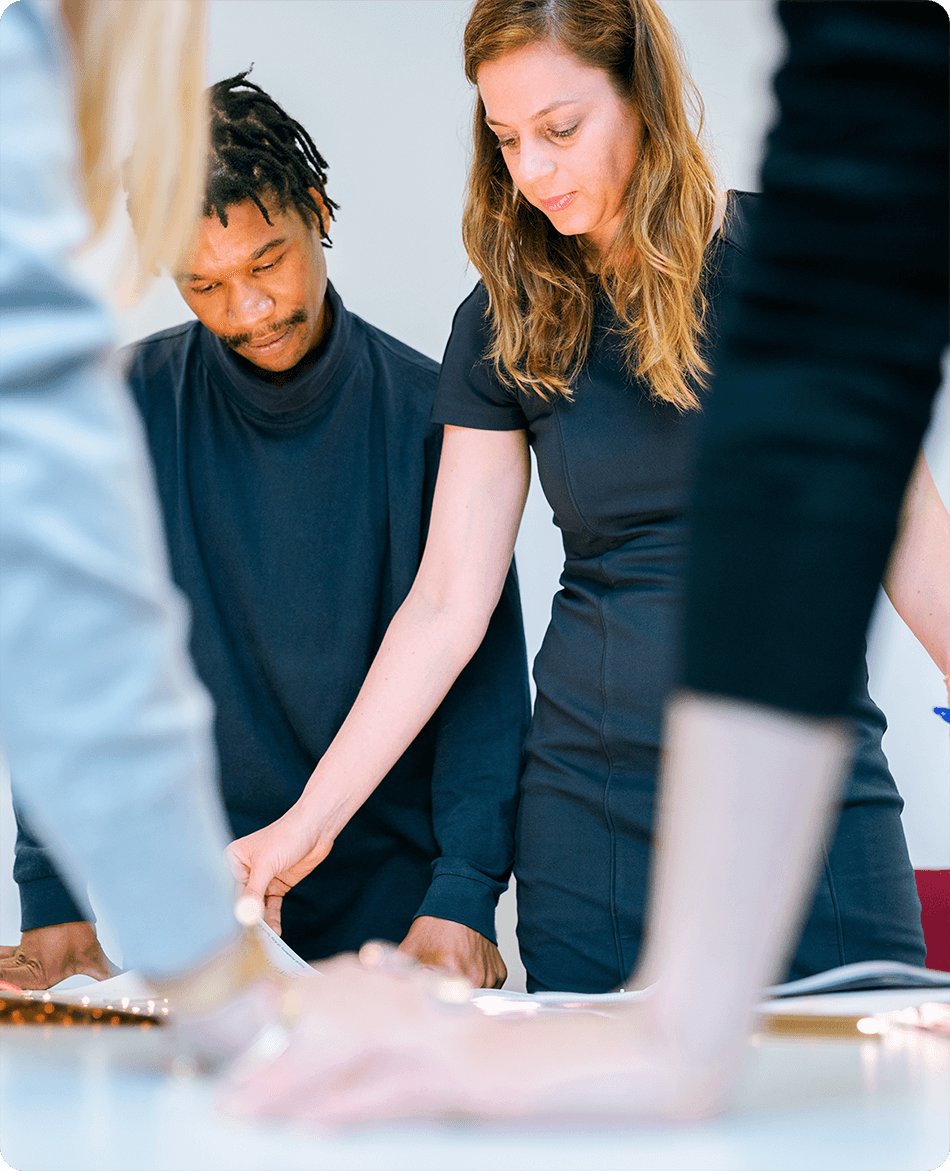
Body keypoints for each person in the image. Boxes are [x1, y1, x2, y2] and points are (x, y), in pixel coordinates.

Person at [218, 0, 949, 1125]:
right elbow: (447, 602)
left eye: (560, 128)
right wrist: (303, 827)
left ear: (641, 96)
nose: (533, 173)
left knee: (875, 1120)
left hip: (809, 797)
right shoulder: (505, 317)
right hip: (592, 814)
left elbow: (906, 540)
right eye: (505, 139)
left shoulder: (794, 268)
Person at [6, 71, 531, 992]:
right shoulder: (120, 416)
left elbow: (479, 681)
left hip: (394, 929)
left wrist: (461, 898)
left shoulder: (433, 416)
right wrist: (52, 891)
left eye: (266, 262)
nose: (246, 310)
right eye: (202, 284)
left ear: (318, 209)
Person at [0, 0, 280, 1057]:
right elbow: (54, 573)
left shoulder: (412, 400)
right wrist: (218, 977)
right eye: (206, 284)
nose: (245, 309)